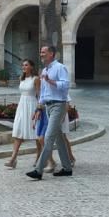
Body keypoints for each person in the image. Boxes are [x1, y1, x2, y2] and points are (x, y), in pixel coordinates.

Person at [25, 45, 73, 180]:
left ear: (51, 54)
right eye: (40, 52)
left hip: (58, 105)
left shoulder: (60, 68)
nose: (41, 54)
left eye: (43, 52)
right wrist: (39, 107)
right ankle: (67, 168)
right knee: (58, 139)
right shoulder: (45, 70)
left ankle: (38, 170)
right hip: (48, 107)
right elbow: (44, 93)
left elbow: (66, 85)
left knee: (48, 137)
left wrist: (50, 81)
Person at [5, 60, 43, 169]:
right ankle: (13, 159)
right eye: (22, 65)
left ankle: (39, 157)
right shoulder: (21, 78)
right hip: (22, 105)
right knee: (18, 131)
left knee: (36, 134)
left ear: (31, 67)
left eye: (26, 65)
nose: (23, 67)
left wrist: (39, 109)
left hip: (32, 106)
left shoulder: (36, 79)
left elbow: (39, 95)